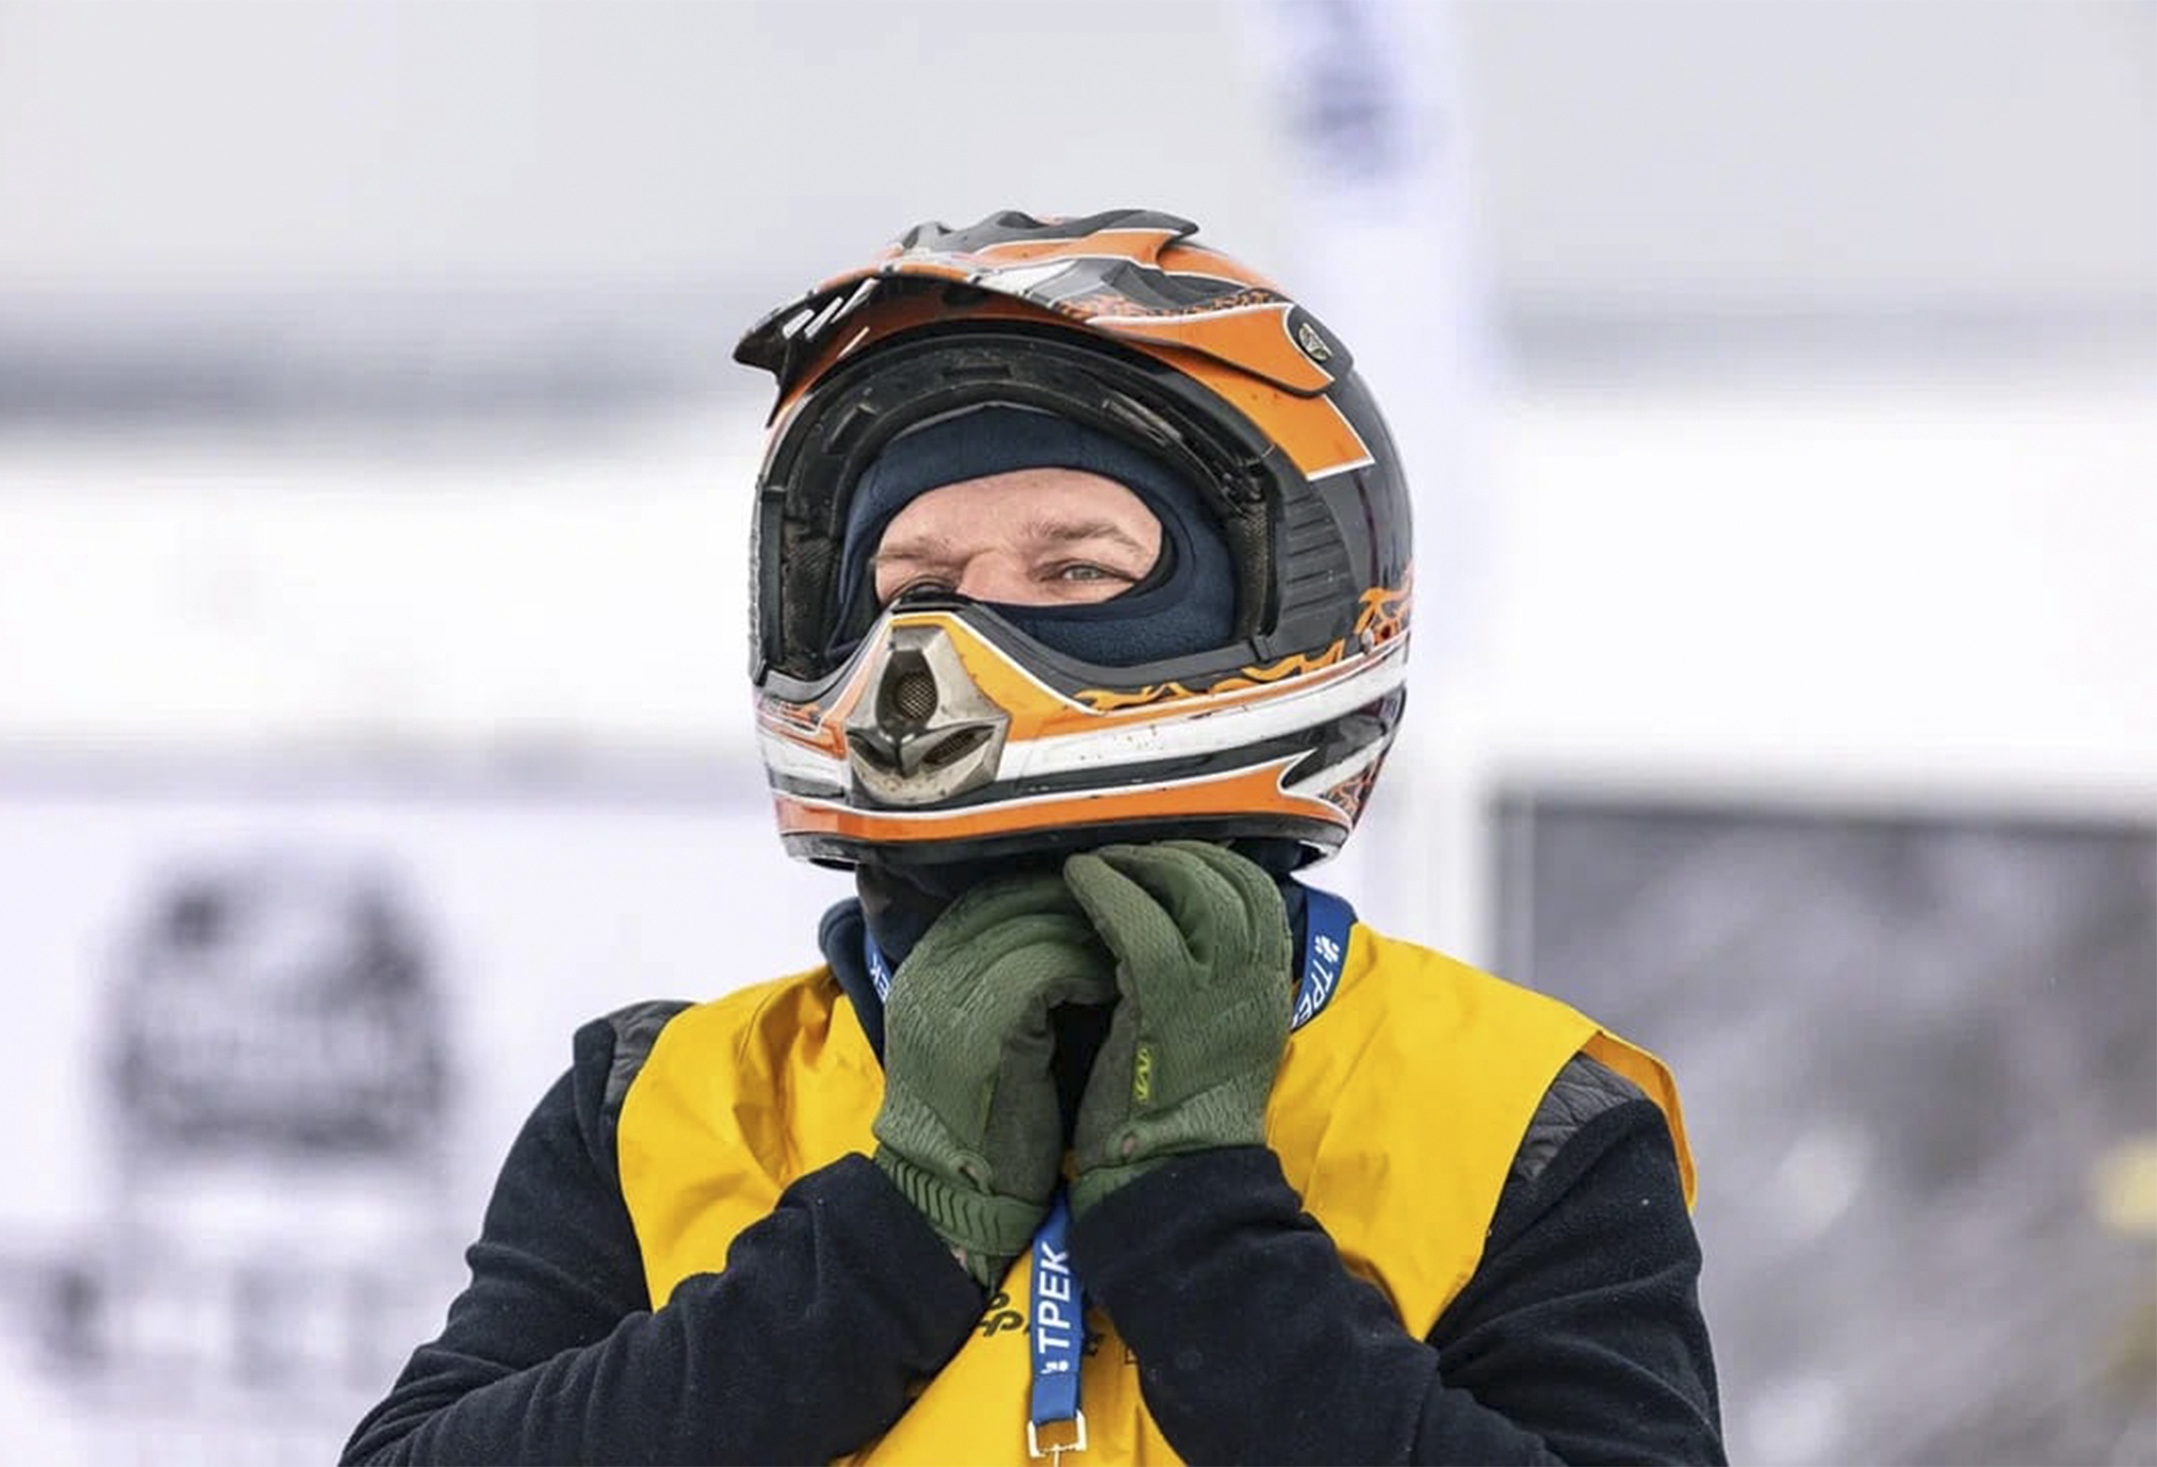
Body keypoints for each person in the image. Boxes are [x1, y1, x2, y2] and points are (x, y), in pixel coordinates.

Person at [342, 209, 1725, 1465]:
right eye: (916, 579)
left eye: (1075, 568)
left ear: (1273, 600)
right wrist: (893, 1235)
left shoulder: (1513, 1116)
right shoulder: (664, 1104)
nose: (958, 634)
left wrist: (1198, 1227)